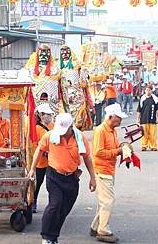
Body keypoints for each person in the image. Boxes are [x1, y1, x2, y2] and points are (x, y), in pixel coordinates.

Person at [28, 113, 96, 244]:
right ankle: (46, 237)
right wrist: (32, 169)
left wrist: (93, 178)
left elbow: (87, 157)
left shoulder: (80, 138)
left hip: (72, 178)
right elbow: (39, 150)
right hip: (54, 176)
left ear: (71, 126)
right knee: (55, 205)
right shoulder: (50, 135)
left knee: (64, 209)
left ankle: (53, 236)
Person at [90, 103, 127, 243]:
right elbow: (98, 152)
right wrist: (117, 152)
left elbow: (114, 146)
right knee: (107, 201)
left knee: (103, 202)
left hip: (109, 169)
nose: (120, 121)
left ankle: (95, 227)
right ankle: (103, 230)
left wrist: (122, 147)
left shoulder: (112, 130)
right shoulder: (100, 130)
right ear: (111, 117)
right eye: (118, 118)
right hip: (102, 170)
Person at [32, 103, 55, 213]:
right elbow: (36, 145)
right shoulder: (36, 128)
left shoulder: (53, 125)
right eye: (47, 114)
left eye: (50, 114)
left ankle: (53, 203)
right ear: (40, 115)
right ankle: (33, 201)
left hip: (52, 161)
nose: (49, 116)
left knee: (52, 184)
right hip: (41, 161)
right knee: (38, 183)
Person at [137, 85, 158, 152]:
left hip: (152, 119)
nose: (148, 91)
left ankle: (153, 146)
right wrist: (138, 119)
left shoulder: (155, 99)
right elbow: (139, 110)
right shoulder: (142, 99)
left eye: (149, 90)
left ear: (151, 91)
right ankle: (144, 146)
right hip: (144, 119)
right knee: (144, 134)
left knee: (153, 134)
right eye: (147, 90)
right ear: (145, 91)